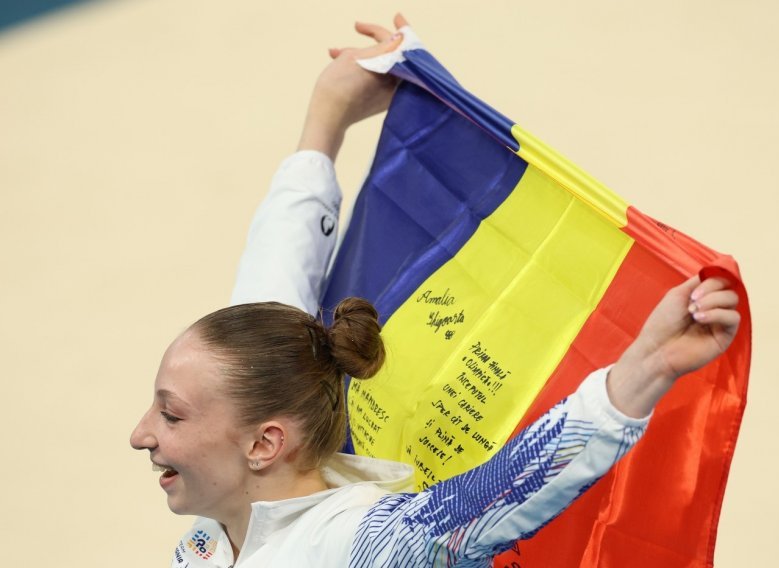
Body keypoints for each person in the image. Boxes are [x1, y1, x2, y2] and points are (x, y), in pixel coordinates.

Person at [130, 15, 741, 567]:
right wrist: (324, 124)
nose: (141, 434)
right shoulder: (224, 524)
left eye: (170, 413)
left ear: (266, 443)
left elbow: (505, 490)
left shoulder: (354, 546)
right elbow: (269, 286)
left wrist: (648, 366)